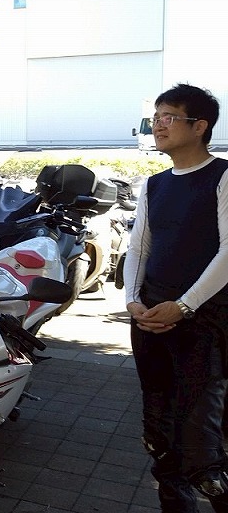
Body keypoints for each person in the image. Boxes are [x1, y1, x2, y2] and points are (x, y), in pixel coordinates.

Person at [123, 84, 228, 512]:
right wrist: (133, 301)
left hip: (204, 324)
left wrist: (184, 306)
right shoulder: (154, 185)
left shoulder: (222, 176)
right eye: (156, 117)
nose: (158, 125)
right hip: (150, 319)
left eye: (168, 117)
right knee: (159, 438)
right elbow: (138, 248)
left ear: (199, 126)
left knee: (202, 451)